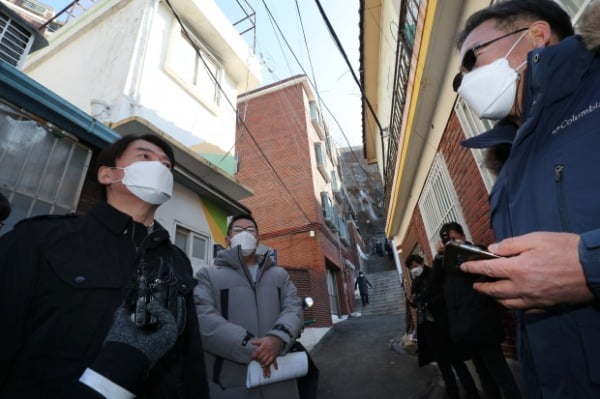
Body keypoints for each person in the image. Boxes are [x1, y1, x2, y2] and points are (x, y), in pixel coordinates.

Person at [452, 1, 600, 396]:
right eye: (459, 76)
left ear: (536, 36)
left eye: (473, 58)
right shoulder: (508, 167)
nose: (465, 81)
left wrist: (590, 265)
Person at [0, 134, 209, 398]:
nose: (159, 167)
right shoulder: (42, 238)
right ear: (107, 175)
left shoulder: (176, 260)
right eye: (145, 156)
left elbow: (189, 358)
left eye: (166, 165)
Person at [194, 214, 304, 399]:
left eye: (250, 230)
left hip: (280, 382)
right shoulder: (207, 275)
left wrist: (277, 339)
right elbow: (203, 319)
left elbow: (294, 308)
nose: (244, 234)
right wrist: (254, 348)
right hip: (230, 386)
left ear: (258, 239)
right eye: (238, 230)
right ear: (227, 239)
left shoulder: (279, 274)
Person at [437, 223, 521, 399]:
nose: (450, 244)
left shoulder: (475, 253)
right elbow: (436, 287)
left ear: (463, 236)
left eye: (454, 239)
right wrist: (440, 258)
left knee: (501, 375)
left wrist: (458, 252)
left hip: (483, 325)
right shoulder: (445, 264)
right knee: (483, 376)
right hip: (465, 330)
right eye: (447, 241)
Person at [406, 254, 480, 399]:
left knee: (457, 361)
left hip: (443, 325)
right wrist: (413, 301)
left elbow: (443, 295)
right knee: (443, 365)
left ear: (421, 263)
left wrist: (427, 302)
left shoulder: (434, 274)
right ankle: (453, 392)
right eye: (411, 268)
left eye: (415, 266)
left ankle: (471, 392)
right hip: (429, 328)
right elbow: (415, 301)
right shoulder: (415, 282)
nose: (414, 269)